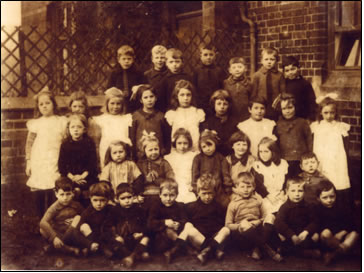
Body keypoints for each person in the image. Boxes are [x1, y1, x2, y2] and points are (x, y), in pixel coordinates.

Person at [25, 88, 68, 216]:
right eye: (41, 104)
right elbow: (29, 143)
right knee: (39, 187)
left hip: (55, 158)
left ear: (54, 104)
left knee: (53, 186)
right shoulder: (36, 123)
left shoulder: (61, 121)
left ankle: (52, 217)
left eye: (47, 103)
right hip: (39, 159)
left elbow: (66, 141)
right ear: (38, 107)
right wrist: (28, 162)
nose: (44, 106)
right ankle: (40, 218)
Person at [226, 172, 283, 261]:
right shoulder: (233, 204)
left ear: (253, 187)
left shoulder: (258, 200)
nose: (246, 190)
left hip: (257, 228)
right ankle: (269, 250)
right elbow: (228, 224)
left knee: (270, 216)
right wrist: (240, 226)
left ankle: (257, 248)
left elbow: (264, 216)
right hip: (242, 234)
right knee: (245, 224)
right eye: (242, 187)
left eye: (248, 187)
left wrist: (258, 222)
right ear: (236, 187)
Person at [311, 93, 352, 210]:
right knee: (323, 181)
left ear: (336, 113)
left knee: (338, 180)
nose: (329, 116)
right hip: (322, 158)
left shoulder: (340, 126)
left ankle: (339, 209)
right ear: (320, 112)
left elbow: (345, 145)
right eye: (326, 112)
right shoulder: (316, 126)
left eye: (332, 112)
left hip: (336, 159)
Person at [184, 173, 230, 265]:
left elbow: (222, 224)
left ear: (215, 192)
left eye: (210, 193)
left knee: (226, 230)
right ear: (198, 192)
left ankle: (207, 251)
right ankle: (214, 250)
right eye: (204, 193)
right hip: (200, 240)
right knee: (191, 231)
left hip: (214, 237)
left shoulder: (219, 207)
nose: (207, 197)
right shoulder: (191, 207)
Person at [39, 177, 87, 256]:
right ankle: (70, 249)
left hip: (73, 234)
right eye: (62, 194)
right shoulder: (54, 207)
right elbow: (43, 222)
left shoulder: (76, 205)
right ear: (56, 194)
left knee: (79, 220)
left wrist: (76, 222)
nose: (65, 198)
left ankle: (58, 248)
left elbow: (85, 216)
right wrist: (54, 237)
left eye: (68, 194)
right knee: (42, 230)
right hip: (60, 234)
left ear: (73, 193)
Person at [314, 180, 359, 265]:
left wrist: (342, 233)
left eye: (332, 196)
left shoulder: (341, 206)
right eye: (325, 198)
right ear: (318, 198)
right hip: (329, 240)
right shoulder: (317, 209)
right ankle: (343, 252)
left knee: (355, 234)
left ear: (336, 195)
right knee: (325, 233)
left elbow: (350, 222)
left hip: (341, 237)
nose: (329, 200)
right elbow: (318, 226)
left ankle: (335, 254)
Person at [58, 113, 98, 207]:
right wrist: (73, 178)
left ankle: (85, 212)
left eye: (79, 127)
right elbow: (62, 165)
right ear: (68, 129)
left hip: (86, 176)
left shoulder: (89, 142)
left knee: (90, 188)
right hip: (70, 176)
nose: (75, 129)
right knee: (66, 187)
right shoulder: (65, 144)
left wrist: (82, 176)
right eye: (73, 127)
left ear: (84, 129)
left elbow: (92, 164)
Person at [275, 178, 320, 259]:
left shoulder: (308, 206)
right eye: (293, 191)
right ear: (287, 192)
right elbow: (279, 223)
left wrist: (306, 231)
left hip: (303, 234)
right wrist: (291, 235)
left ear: (304, 192)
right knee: (280, 238)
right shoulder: (285, 207)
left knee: (315, 237)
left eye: (300, 191)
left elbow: (315, 221)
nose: (297, 194)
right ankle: (302, 252)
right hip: (290, 235)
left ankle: (296, 251)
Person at [147, 180, 189, 263]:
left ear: (177, 195)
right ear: (160, 195)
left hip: (175, 236)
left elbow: (185, 219)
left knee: (187, 227)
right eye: (165, 195)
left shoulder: (179, 206)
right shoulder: (155, 206)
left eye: (172, 195)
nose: (168, 199)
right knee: (168, 231)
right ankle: (182, 248)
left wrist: (179, 224)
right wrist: (164, 223)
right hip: (159, 239)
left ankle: (172, 251)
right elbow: (150, 223)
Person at [109, 183, 150, 268]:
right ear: (117, 199)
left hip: (135, 240)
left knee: (146, 238)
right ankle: (138, 254)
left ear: (133, 197)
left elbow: (147, 225)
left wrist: (141, 234)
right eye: (123, 198)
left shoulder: (139, 209)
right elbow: (107, 227)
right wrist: (115, 236)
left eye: (129, 197)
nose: (127, 201)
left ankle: (132, 257)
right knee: (114, 245)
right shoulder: (114, 211)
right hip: (122, 240)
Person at [274, 93, 313, 177]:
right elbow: (276, 143)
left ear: (295, 107)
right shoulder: (278, 124)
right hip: (284, 160)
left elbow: (309, 140)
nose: (287, 111)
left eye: (290, 107)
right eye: (284, 108)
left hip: (300, 160)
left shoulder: (302, 122)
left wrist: (309, 156)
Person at [192, 129, 232, 208]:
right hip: (203, 188)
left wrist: (228, 189)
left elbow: (225, 175)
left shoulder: (221, 158)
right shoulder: (198, 158)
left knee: (224, 205)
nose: (207, 148)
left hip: (218, 189)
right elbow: (195, 175)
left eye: (210, 145)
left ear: (215, 144)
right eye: (204, 146)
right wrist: (195, 189)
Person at [252, 137, 288, 225]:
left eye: (266, 151)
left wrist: (284, 193)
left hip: (280, 194)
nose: (263, 154)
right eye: (260, 152)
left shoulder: (283, 163)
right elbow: (259, 186)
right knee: (270, 214)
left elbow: (286, 181)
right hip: (265, 196)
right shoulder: (257, 165)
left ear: (273, 151)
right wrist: (269, 196)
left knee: (286, 212)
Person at [94, 87, 132, 168]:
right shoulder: (101, 119)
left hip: (122, 150)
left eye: (118, 104)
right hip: (107, 148)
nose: (115, 107)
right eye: (112, 103)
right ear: (107, 104)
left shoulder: (126, 118)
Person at [130, 84, 171, 159]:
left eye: (151, 96)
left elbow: (166, 136)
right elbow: (132, 136)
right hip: (141, 155)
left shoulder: (161, 116)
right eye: (145, 97)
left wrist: (165, 150)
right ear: (140, 100)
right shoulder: (136, 116)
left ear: (155, 98)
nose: (149, 100)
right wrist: (134, 153)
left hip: (157, 153)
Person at [77, 182, 116, 258]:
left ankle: (101, 248)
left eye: (102, 200)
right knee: (83, 226)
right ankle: (99, 248)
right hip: (92, 237)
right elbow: (78, 231)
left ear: (107, 200)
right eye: (95, 200)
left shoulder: (110, 209)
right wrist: (88, 243)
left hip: (105, 236)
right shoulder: (87, 212)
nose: (98, 203)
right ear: (90, 199)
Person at [165, 80, 205, 152]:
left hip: (195, 149)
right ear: (176, 96)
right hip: (178, 149)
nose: (185, 98)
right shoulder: (171, 114)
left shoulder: (198, 112)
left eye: (188, 95)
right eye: (182, 95)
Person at [137, 132, 175, 208]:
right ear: (144, 151)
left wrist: (158, 180)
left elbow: (171, 179)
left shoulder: (164, 163)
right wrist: (146, 180)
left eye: (156, 149)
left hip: (161, 194)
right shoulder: (140, 164)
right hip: (145, 194)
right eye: (150, 150)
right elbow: (137, 181)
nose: (154, 152)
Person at [107, 45, 146, 113]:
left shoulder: (138, 73)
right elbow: (108, 89)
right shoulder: (115, 73)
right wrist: (116, 92)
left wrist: (139, 87)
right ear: (119, 60)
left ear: (133, 59)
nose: (126, 61)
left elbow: (145, 87)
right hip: (119, 105)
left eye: (129, 59)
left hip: (134, 104)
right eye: (124, 59)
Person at [201, 89, 240, 156]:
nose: (222, 107)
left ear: (229, 105)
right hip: (213, 155)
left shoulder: (234, 123)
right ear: (213, 105)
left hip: (229, 155)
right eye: (219, 104)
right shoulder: (208, 122)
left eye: (225, 104)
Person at [164, 128, 198, 203]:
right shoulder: (168, 157)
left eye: (185, 143)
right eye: (179, 143)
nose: (182, 146)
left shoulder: (194, 156)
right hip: (174, 186)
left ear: (189, 143)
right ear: (175, 143)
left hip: (189, 186)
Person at [192, 43, 225, 116]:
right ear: (200, 56)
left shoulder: (219, 71)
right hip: (201, 104)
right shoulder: (197, 70)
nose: (208, 57)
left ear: (215, 56)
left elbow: (222, 88)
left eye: (211, 55)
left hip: (216, 104)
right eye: (205, 55)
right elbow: (194, 88)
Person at [252, 47, 285, 120]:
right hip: (261, 108)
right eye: (266, 59)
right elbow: (253, 94)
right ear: (261, 61)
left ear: (276, 61)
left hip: (275, 108)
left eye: (272, 59)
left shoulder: (280, 75)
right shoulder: (257, 75)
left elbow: (283, 93)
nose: (269, 62)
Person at [154, 48, 192, 112]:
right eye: (171, 62)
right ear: (166, 63)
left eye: (177, 61)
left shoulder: (187, 77)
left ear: (182, 62)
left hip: (186, 108)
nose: (174, 64)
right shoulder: (163, 78)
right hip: (170, 110)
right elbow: (161, 98)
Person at [282, 55, 316, 121]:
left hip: (301, 116)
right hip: (287, 115)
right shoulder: (283, 84)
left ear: (298, 68)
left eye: (293, 69)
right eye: (287, 70)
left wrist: (310, 118)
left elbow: (311, 102)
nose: (290, 72)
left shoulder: (305, 83)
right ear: (284, 72)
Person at [223, 57, 252, 121]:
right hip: (230, 115)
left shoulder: (249, 84)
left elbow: (252, 100)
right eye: (234, 67)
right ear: (230, 70)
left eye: (239, 67)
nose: (237, 70)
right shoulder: (225, 83)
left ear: (245, 69)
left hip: (245, 115)